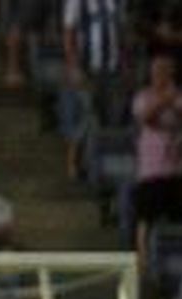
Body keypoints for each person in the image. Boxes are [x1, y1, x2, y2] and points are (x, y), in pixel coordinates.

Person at [131, 55, 182, 261]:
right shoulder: (142, 96)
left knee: (179, 217)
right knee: (146, 217)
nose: (161, 76)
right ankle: (143, 257)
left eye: (165, 71)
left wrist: (174, 101)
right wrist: (165, 100)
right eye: (157, 71)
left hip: (178, 167)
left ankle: (176, 258)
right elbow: (146, 117)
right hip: (152, 169)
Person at [60, 0, 126, 180]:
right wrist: (73, 66)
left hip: (112, 69)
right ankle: (73, 160)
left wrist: (124, 64)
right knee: (87, 115)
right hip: (87, 68)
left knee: (109, 117)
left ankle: (98, 165)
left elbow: (120, 32)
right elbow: (69, 33)